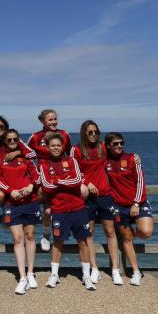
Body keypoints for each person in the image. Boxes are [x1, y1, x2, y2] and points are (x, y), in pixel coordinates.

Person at [38, 133, 95, 291]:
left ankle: (86, 276)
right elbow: (46, 186)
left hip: (78, 208)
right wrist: (64, 180)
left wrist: (56, 180)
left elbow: (76, 181)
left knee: (83, 242)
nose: (56, 148)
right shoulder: (43, 164)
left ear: (63, 146)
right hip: (59, 210)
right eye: (53, 145)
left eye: (58, 145)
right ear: (48, 147)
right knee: (57, 243)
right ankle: (54, 275)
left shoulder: (71, 160)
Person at [71, 120, 122, 285]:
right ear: (84, 133)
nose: (93, 135)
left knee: (110, 231)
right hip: (87, 197)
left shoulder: (102, 147)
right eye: (89, 132)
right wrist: (86, 182)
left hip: (105, 195)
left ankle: (115, 270)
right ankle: (95, 269)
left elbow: (117, 152)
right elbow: (74, 171)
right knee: (89, 232)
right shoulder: (77, 150)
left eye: (95, 132)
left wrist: (133, 158)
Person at [0, 129, 41, 294]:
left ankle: (31, 272)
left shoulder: (25, 156)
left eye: (15, 139)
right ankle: (22, 278)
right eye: (9, 140)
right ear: (5, 141)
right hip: (12, 202)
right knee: (18, 238)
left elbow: (36, 175)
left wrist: (30, 186)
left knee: (30, 236)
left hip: (30, 201)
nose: (12, 142)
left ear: (18, 140)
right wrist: (9, 190)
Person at [105, 132, 153, 286]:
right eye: (115, 144)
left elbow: (140, 181)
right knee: (126, 239)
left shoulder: (132, 158)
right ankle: (136, 271)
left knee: (146, 232)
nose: (119, 146)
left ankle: (133, 234)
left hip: (138, 203)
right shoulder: (105, 162)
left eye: (121, 143)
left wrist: (137, 203)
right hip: (119, 206)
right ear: (108, 146)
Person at [27, 109, 71, 252]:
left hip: (62, 175)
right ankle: (46, 235)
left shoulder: (64, 134)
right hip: (44, 177)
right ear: (42, 121)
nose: (53, 122)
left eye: (55, 119)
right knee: (47, 211)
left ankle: (64, 229)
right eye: (50, 119)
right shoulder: (35, 137)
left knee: (65, 206)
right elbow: (25, 152)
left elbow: (71, 154)